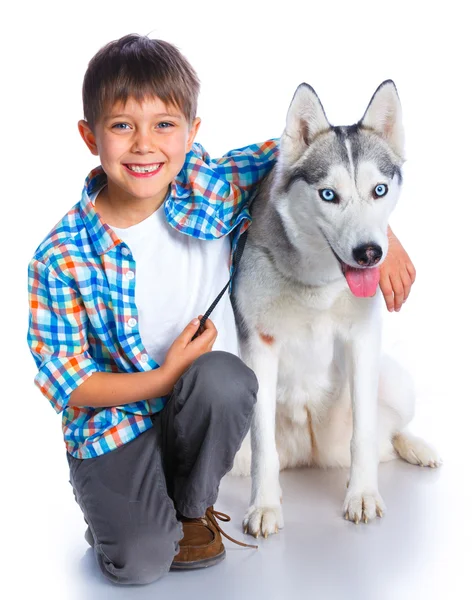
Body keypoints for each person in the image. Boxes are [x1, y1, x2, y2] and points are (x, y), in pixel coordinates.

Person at [27, 33, 416, 585]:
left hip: (204, 408)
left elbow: (322, 167)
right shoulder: (61, 256)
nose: (144, 145)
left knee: (228, 377)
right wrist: (162, 379)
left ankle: (188, 507)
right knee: (138, 564)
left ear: (192, 133)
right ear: (90, 136)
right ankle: (123, 511)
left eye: (164, 125)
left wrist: (381, 236)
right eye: (121, 126)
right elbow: (67, 382)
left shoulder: (206, 186)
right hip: (113, 425)